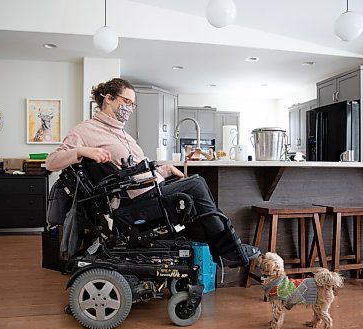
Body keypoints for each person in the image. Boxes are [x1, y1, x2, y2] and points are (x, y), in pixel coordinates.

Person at [45, 78, 260, 266]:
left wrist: (165, 169)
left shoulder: (123, 135)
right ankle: (228, 247)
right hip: (133, 201)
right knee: (197, 184)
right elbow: (51, 162)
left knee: (193, 193)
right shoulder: (86, 130)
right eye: (126, 102)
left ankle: (216, 248)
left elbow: (139, 168)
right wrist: (82, 150)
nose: (129, 108)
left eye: (132, 104)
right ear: (108, 98)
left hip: (147, 189)